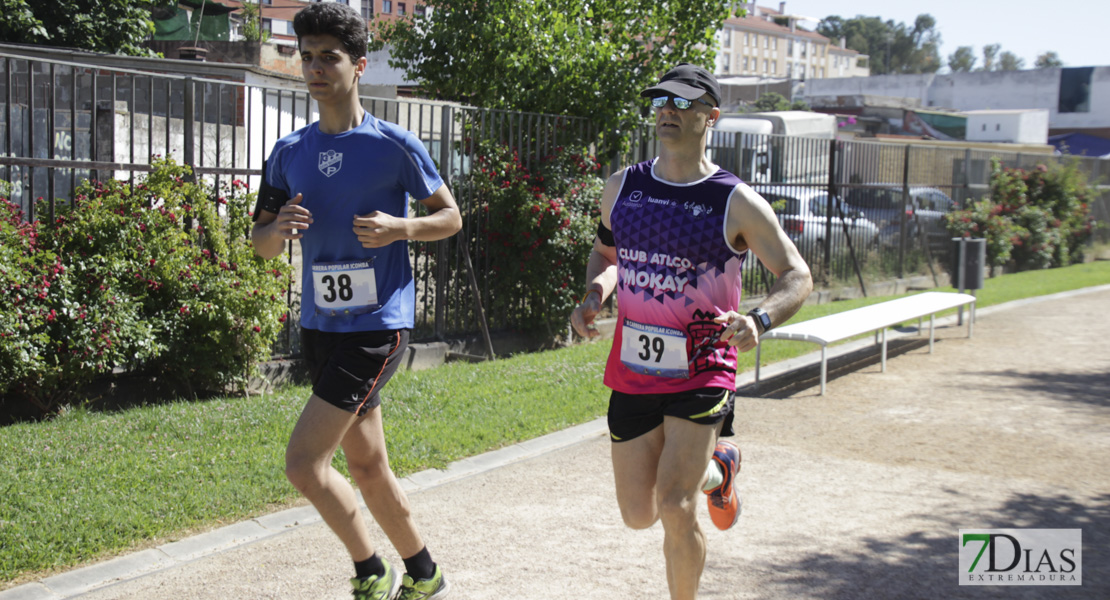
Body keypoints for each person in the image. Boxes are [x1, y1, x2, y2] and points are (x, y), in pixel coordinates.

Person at [570, 63, 813, 600]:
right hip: (633, 369)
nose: (668, 111)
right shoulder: (622, 188)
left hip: (704, 367)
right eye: (662, 102)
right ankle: (719, 470)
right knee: (639, 513)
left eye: (682, 102)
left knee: (675, 506)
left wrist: (760, 319)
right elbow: (608, 256)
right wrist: (594, 294)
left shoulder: (735, 201)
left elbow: (797, 274)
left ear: (712, 116)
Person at [250, 3, 460, 599]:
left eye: (329, 57)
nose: (315, 68)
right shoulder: (289, 151)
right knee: (367, 467)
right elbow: (260, 244)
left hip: (377, 326)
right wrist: (278, 229)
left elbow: (450, 217)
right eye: (307, 56)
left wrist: (401, 228)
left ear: (359, 65)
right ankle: (425, 576)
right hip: (321, 325)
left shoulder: (394, 145)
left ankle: (371, 570)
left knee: (303, 464)